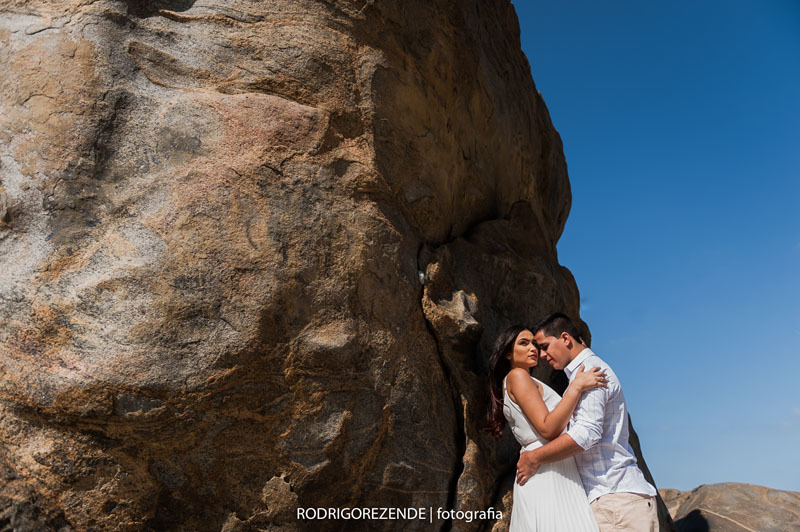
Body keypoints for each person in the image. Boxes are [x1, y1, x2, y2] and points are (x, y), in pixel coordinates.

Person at [517, 313, 658, 532]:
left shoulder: (592, 371)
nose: (542, 355)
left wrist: (535, 458)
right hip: (611, 501)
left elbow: (587, 434)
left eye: (545, 346)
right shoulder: (579, 377)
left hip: (616, 500)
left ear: (565, 338)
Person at [487, 325, 606, 531]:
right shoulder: (517, 376)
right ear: (508, 353)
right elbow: (547, 428)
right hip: (546, 470)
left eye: (534, 343)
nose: (533, 348)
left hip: (552, 466)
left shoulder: (524, 379)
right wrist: (576, 387)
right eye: (523, 343)